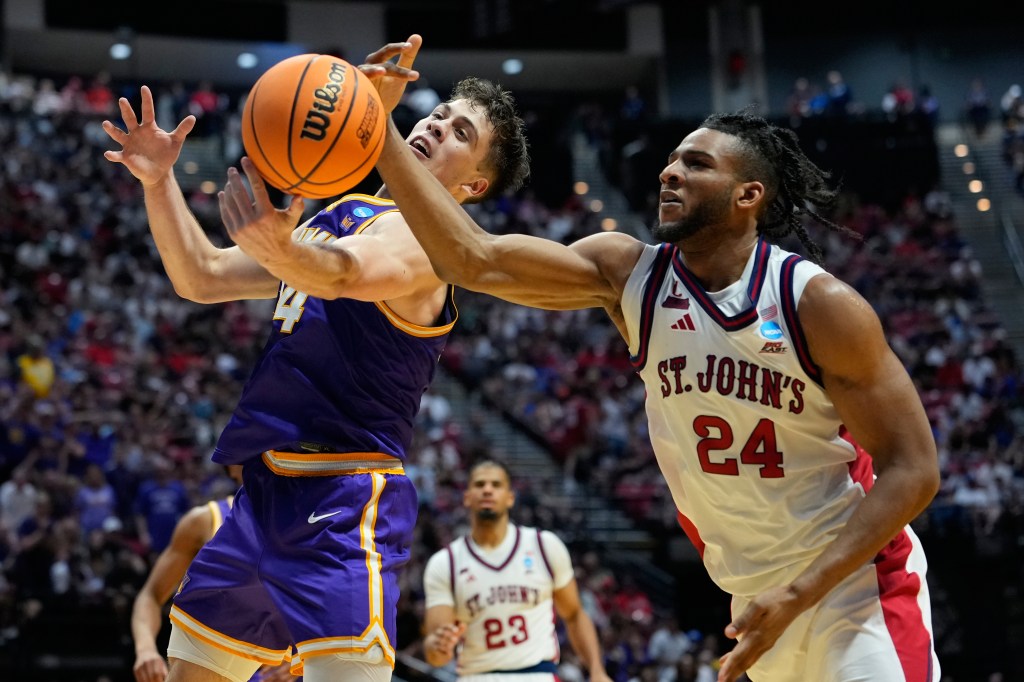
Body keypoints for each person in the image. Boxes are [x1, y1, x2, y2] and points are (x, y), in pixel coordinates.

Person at [372, 35, 941, 682]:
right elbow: (471, 258)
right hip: (753, 598)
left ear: (748, 195)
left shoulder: (817, 303)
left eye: (696, 164)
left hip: (855, 588)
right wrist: (378, 128)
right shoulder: (628, 274)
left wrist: (801, 591)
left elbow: (915, 470)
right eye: (671, 161)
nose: (670, 172)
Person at [101, 37, 529, 682]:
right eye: (438, 113)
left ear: (473, 183)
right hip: (262, 494)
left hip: (343, 498)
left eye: (459, 131)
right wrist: (158, 182)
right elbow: (203, 274)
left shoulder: (430, 239)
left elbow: (343, 276)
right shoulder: (345, 213)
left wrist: (287, 245)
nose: (436, 124)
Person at [422, 458, 612, 682]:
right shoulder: (445, 562)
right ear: (467, 497)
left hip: (537, 674)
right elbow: (436, 650)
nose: (488, 490)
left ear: (510, 497)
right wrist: (436, 647)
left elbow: (574, 615)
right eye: (480, 484)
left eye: (496, 484)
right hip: (477, 676)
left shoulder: (544, 546)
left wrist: (597, 670)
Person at [131, 467, 293, 682]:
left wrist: (304, 657)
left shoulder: (315, 518)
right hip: (215, 667)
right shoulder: (205, 520)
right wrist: (145, 650)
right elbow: (150, 595)